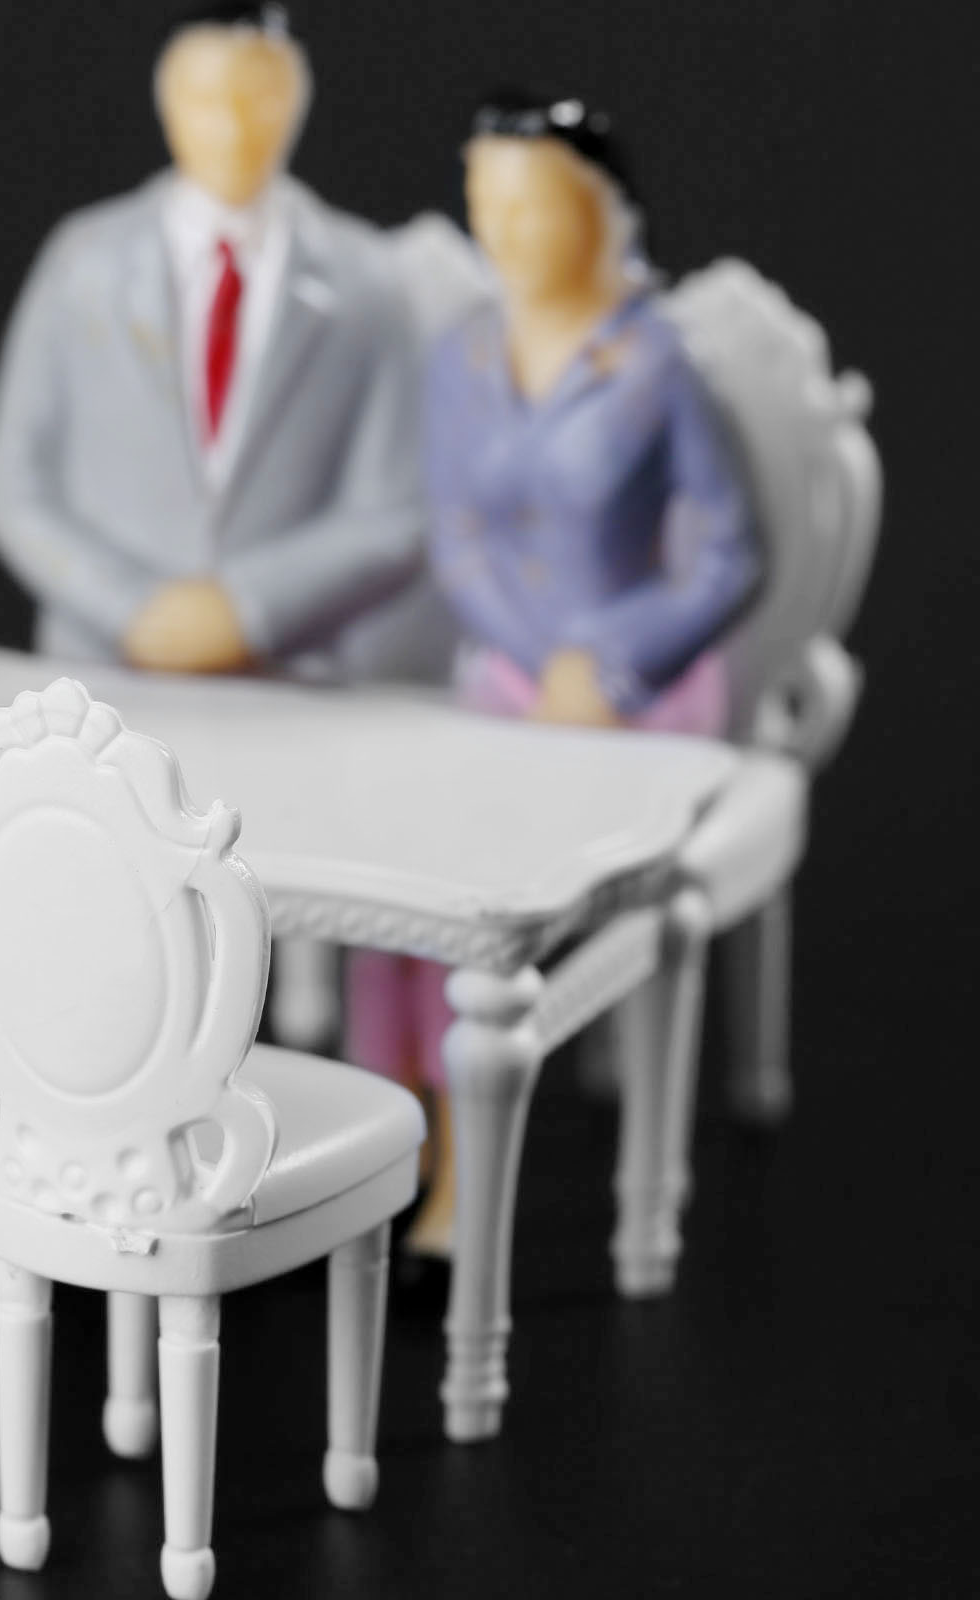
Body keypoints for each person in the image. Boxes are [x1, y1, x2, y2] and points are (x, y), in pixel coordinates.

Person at [345, 91, 764, 1259]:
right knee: (397, 894)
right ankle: (394, 1128)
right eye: (485, 203)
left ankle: (465, 1182)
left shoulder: (653, 362)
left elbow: (728, 554)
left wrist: (613, 663)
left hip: (637, 699)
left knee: (487, 901)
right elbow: (459, 537)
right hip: (509, 687)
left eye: (530, 205)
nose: (503, 231)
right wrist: (539, 662)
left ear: (596, 211)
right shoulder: (464, 357)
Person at [0, 1, 424, 679]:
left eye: (261, 100)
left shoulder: (370, 281)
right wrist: (128, 608)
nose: (234, 129)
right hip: (99, 670)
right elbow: (13, 485)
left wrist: (250, 608)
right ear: (169, 104)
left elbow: (399, 510)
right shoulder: (83, 261)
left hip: (286, 678)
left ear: (296, 102)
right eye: (209, 101)